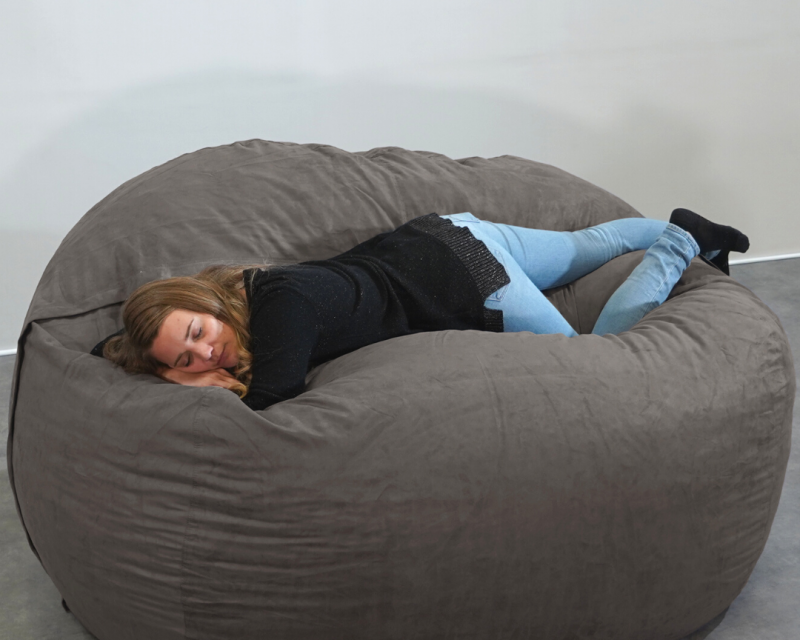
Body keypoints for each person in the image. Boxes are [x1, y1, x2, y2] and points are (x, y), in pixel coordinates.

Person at [91, 208, 749, 411]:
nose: (206, 351)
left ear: (207, 303)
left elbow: (272, 399)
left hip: (470, 282)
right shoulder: (259, 289)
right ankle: (689, 234)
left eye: (198, 332)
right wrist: (134, 354)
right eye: (186, 358)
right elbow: (105, 350)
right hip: (448, 233)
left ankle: (681, 243)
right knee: (590, 245)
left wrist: (201, 382)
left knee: (594, 357)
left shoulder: (275, 311)